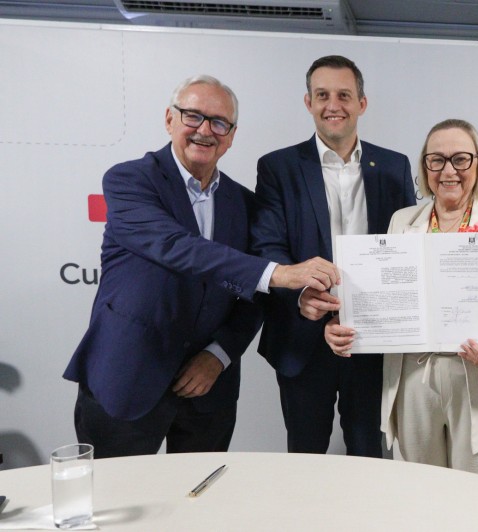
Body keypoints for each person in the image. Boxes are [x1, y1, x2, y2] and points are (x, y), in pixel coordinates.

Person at [64, 75, 338, 458]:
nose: (205, 130)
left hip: (210, 389)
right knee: (114, 507)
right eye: (193, 116)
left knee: (199, 505)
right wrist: (279, 273)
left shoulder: (245, 203)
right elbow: (177, 248)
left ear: (231, 134)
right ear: (169, 119)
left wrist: (220, 354)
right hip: (127, 377)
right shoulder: (129, 180)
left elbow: (252, 297)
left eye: (219, 122)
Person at [325, 119, 478, 477]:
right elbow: (384, 296)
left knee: (476, 500)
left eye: (460, 159)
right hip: (413, 375)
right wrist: (346, 324)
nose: (448, 171)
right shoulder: (402, 220)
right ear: (425, 167)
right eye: (436, 160)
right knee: (419, 496)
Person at [252, 55, 416, 456]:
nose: (333, 105)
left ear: (362, 103)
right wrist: (301, 297)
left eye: (344, 95)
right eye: (322, 95)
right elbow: (268, 246)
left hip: (372, 341)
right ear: (308, 102)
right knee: (307, 457)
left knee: (370, 456)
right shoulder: (278, 167)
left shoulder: (394, 166)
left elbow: (407, 251)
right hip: (303, 340)